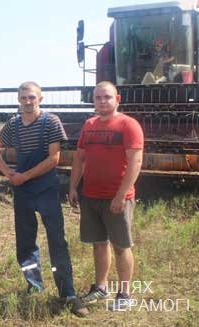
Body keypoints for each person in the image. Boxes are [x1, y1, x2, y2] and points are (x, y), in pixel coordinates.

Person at [0, 81, 89, 317]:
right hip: (23, 192)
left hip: (45, 189)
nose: (27, 101)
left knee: (57, 241)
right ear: (18, 100)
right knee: (25, 243)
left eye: (31, 97)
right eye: (23, 98)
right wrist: (8, 173)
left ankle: (68, 292)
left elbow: (54, 159)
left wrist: (24, 176)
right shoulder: (13, 125)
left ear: (40, 99)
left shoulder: (50, 121)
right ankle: (34, 285)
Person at [68, 81, 143, 311]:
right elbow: (80, 158)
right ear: (93, 100)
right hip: (91, 196)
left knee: (121, 246)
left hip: (116, 198)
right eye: (98, 97)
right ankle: (101, 287)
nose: (103, 101)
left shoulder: (128, 125)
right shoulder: (89, 125)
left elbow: (135, 161)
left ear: (117, 99)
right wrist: (73, 187)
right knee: (99, 244)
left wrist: (120, 196)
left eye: (107, 97)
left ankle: (125, 294)